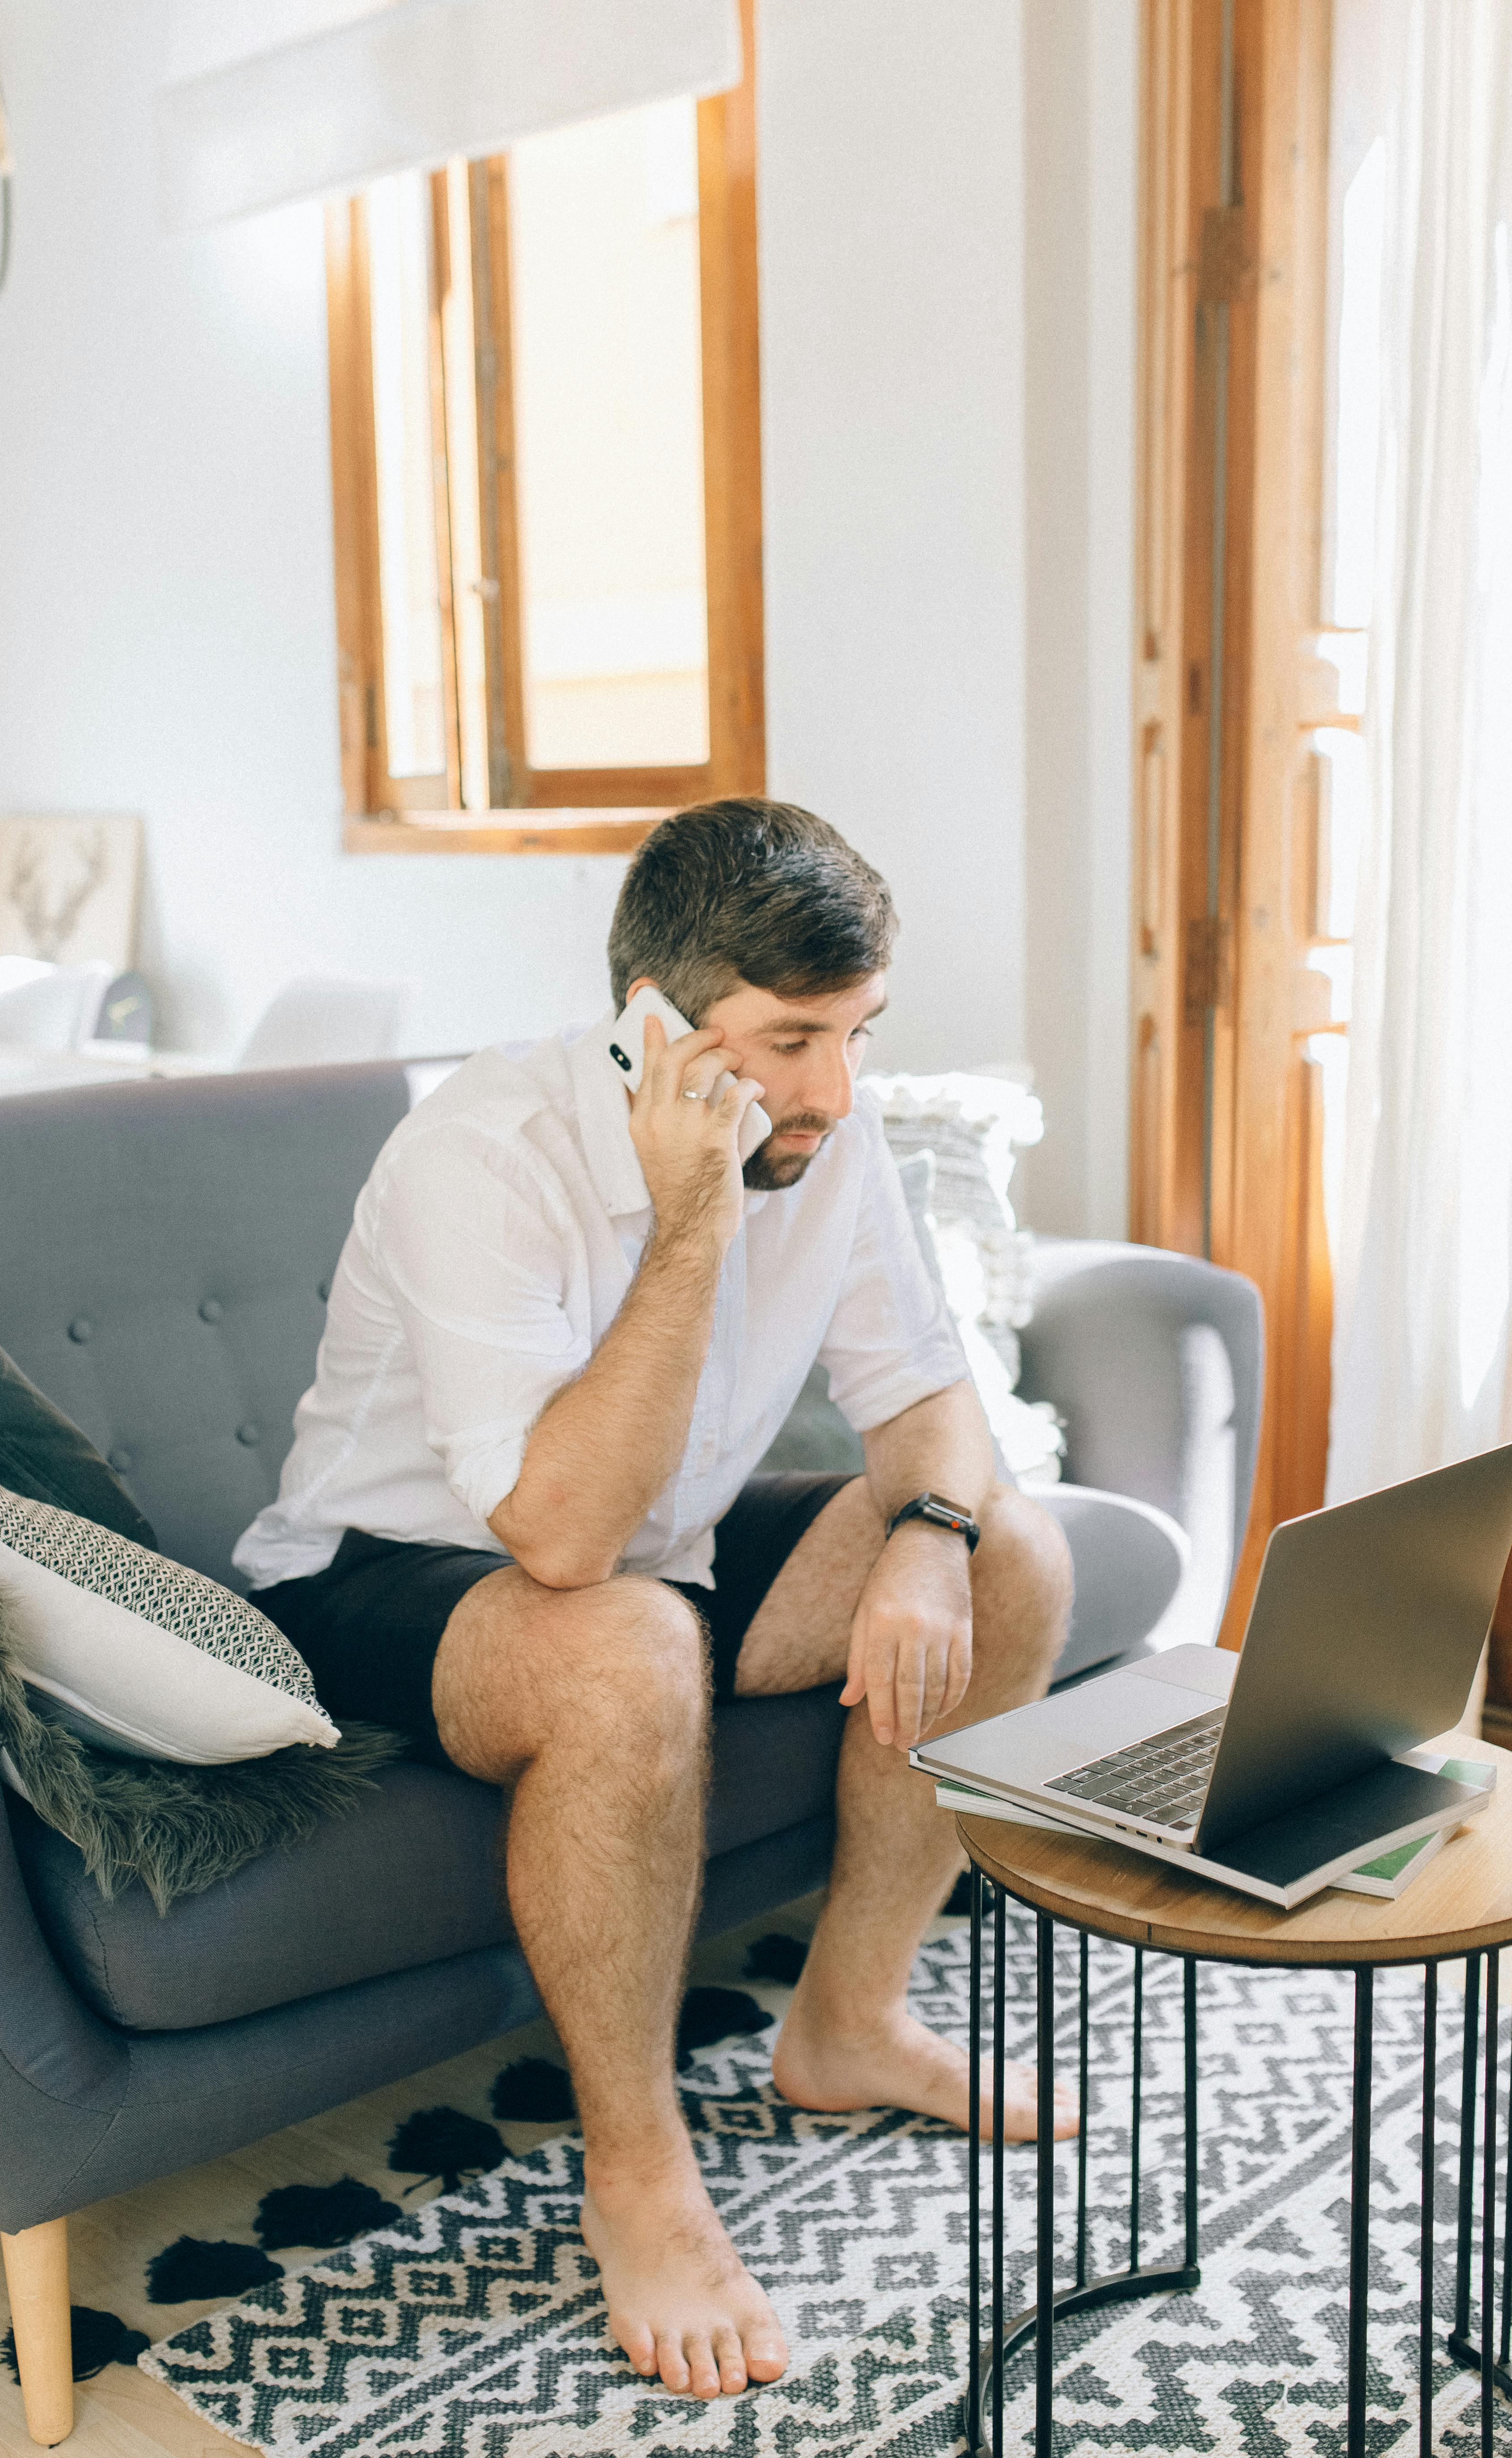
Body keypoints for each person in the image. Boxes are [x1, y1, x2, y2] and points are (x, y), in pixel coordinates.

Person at [238, 798, 1075, 2401]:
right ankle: (635, 2175)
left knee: (1009, 1554)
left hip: (655, 1553)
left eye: (857, 1034)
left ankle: (848, 2025)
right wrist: (693, 1211)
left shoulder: (831, 1124)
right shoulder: (481, 1154)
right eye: (790, 1042)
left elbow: (926, 1401)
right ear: (656, 1033)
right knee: (623, 1642)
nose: (832, 1089)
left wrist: (925, 1536)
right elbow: (557, 1538)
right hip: (385, 1579)